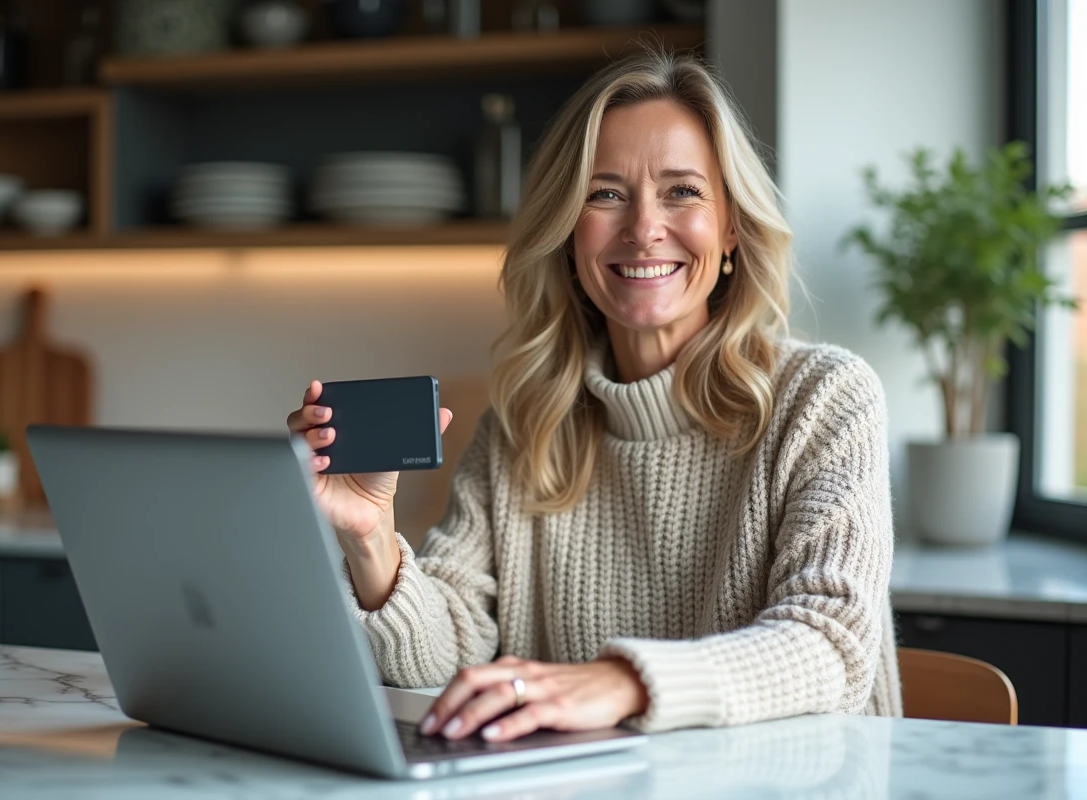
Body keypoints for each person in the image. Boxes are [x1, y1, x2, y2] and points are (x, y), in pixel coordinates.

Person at [286, 46, 901, 743]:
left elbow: (831, 645)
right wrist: (370, 538)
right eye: (605, 194)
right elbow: (444, 657)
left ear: (732, 226)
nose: (644, 228)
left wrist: (622, 681)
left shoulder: (825, 400)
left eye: (682, 191)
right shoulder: (523, 427)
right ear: (569, 234)